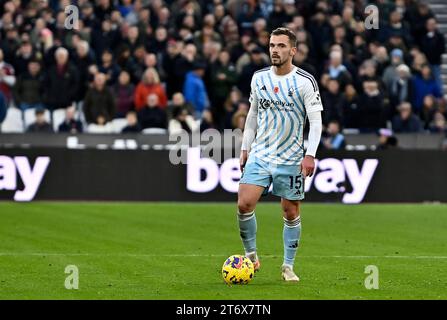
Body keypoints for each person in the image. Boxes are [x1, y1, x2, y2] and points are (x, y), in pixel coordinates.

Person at [237, 28, 323, 282]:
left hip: (291, 158)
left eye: (281, 46)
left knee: (290, 212)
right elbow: (252, 115)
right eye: (272, 45)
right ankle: (251, 256)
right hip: (260, 154)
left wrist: (310, 154)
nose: (275, 50)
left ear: (293, 51)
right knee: (244, 204)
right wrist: (245, 147)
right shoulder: (259, 78)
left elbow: (316, 121)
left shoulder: (305, 81)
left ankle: (288, 266)